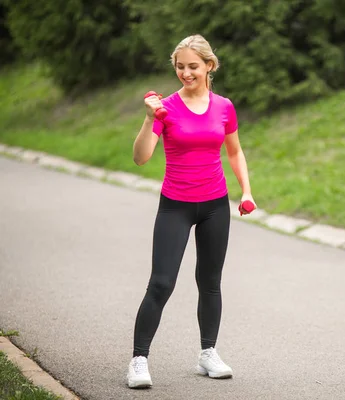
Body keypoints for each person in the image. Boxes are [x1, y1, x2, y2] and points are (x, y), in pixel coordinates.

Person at [126, 34, 256, 389]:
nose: (186, 73)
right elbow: (141, 158)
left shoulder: (224, 107)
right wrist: (148, 118)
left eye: (193, 66)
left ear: (209, 66)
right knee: (161, 282)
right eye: (180, 66)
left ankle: (208, 354)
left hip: (215, 204)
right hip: (176, 206)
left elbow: (234, 152)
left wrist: (246, 190)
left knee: (210, 283)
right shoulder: (164, 108)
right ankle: (139, 360)